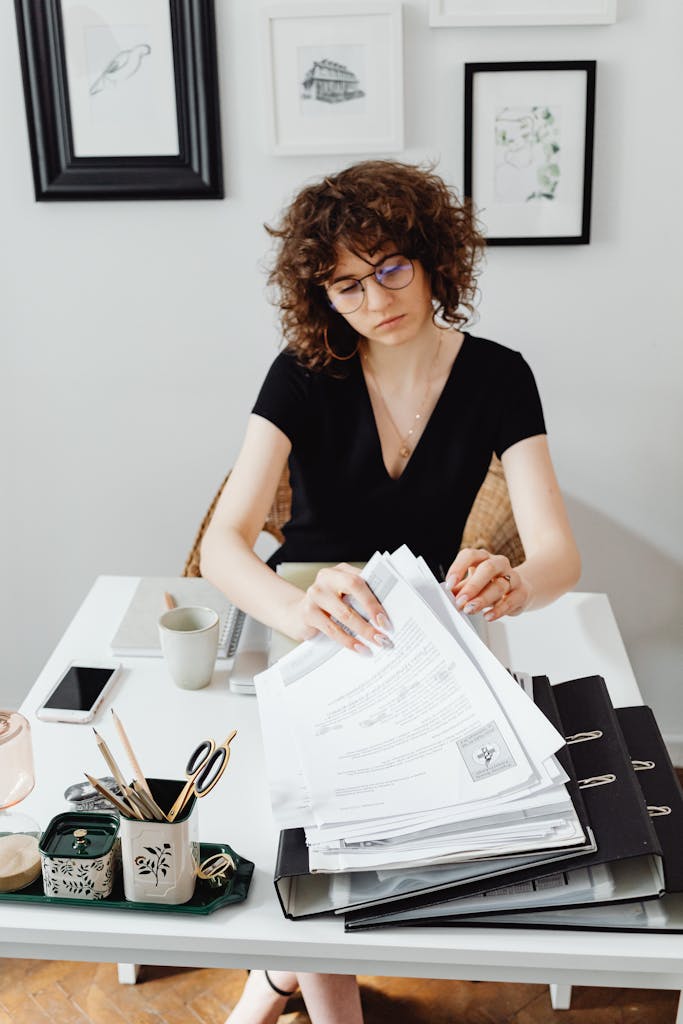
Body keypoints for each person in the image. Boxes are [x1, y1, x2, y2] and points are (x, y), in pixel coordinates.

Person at [201, 159, 581, 1024]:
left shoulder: (499, 375)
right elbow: (225, 543)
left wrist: (515, 579)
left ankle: (279, 977)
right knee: (326, 817)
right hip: (311, 606)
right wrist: (294, 609)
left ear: (432, 256)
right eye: (345, 286)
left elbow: (559, 555)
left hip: (426, 617)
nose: (374, 301)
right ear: (321, 297)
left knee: (430, 816)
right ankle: (326, 1005)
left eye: (389, 268)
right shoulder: (302, 371)